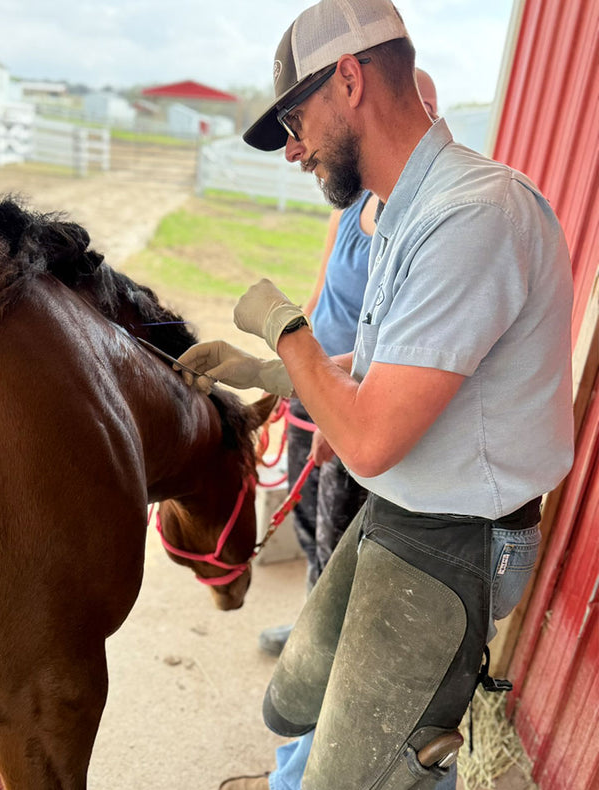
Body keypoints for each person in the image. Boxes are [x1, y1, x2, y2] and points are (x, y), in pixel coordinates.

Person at [178, 1, 574, 788]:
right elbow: (394, 368)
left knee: (366, 775)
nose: (293, 150)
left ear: (349, 79)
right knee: (292, 702)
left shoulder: (474, 216)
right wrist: (273, 376)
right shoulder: (404, 211)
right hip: (406, 512)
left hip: (457, 538)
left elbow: (370, 439)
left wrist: (283, 326)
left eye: (295, 119)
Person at [260, 68, 437, 662]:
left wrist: (314, 369)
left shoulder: (423, 226)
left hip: (351, 396)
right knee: (305, 517)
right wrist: (286, 374)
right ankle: (309, 625)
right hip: (312, 382)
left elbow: (395, 356)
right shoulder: (352, 206)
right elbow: (319, 297)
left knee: (338, 543)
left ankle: (316, 653)